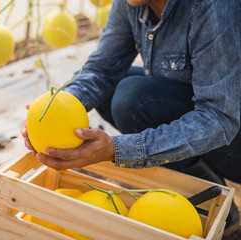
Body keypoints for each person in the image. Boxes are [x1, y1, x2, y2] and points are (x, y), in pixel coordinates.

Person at [22, 0, 241, 234]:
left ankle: (217, 214)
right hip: (209, 122)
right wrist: (54, 108)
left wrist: (118, 150)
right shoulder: (131, 3)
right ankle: (210, 197)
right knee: (116, 89)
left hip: (232, 138)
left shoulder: (213, 6)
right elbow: (102, 69)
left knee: (133, 99)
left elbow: (219, 119)